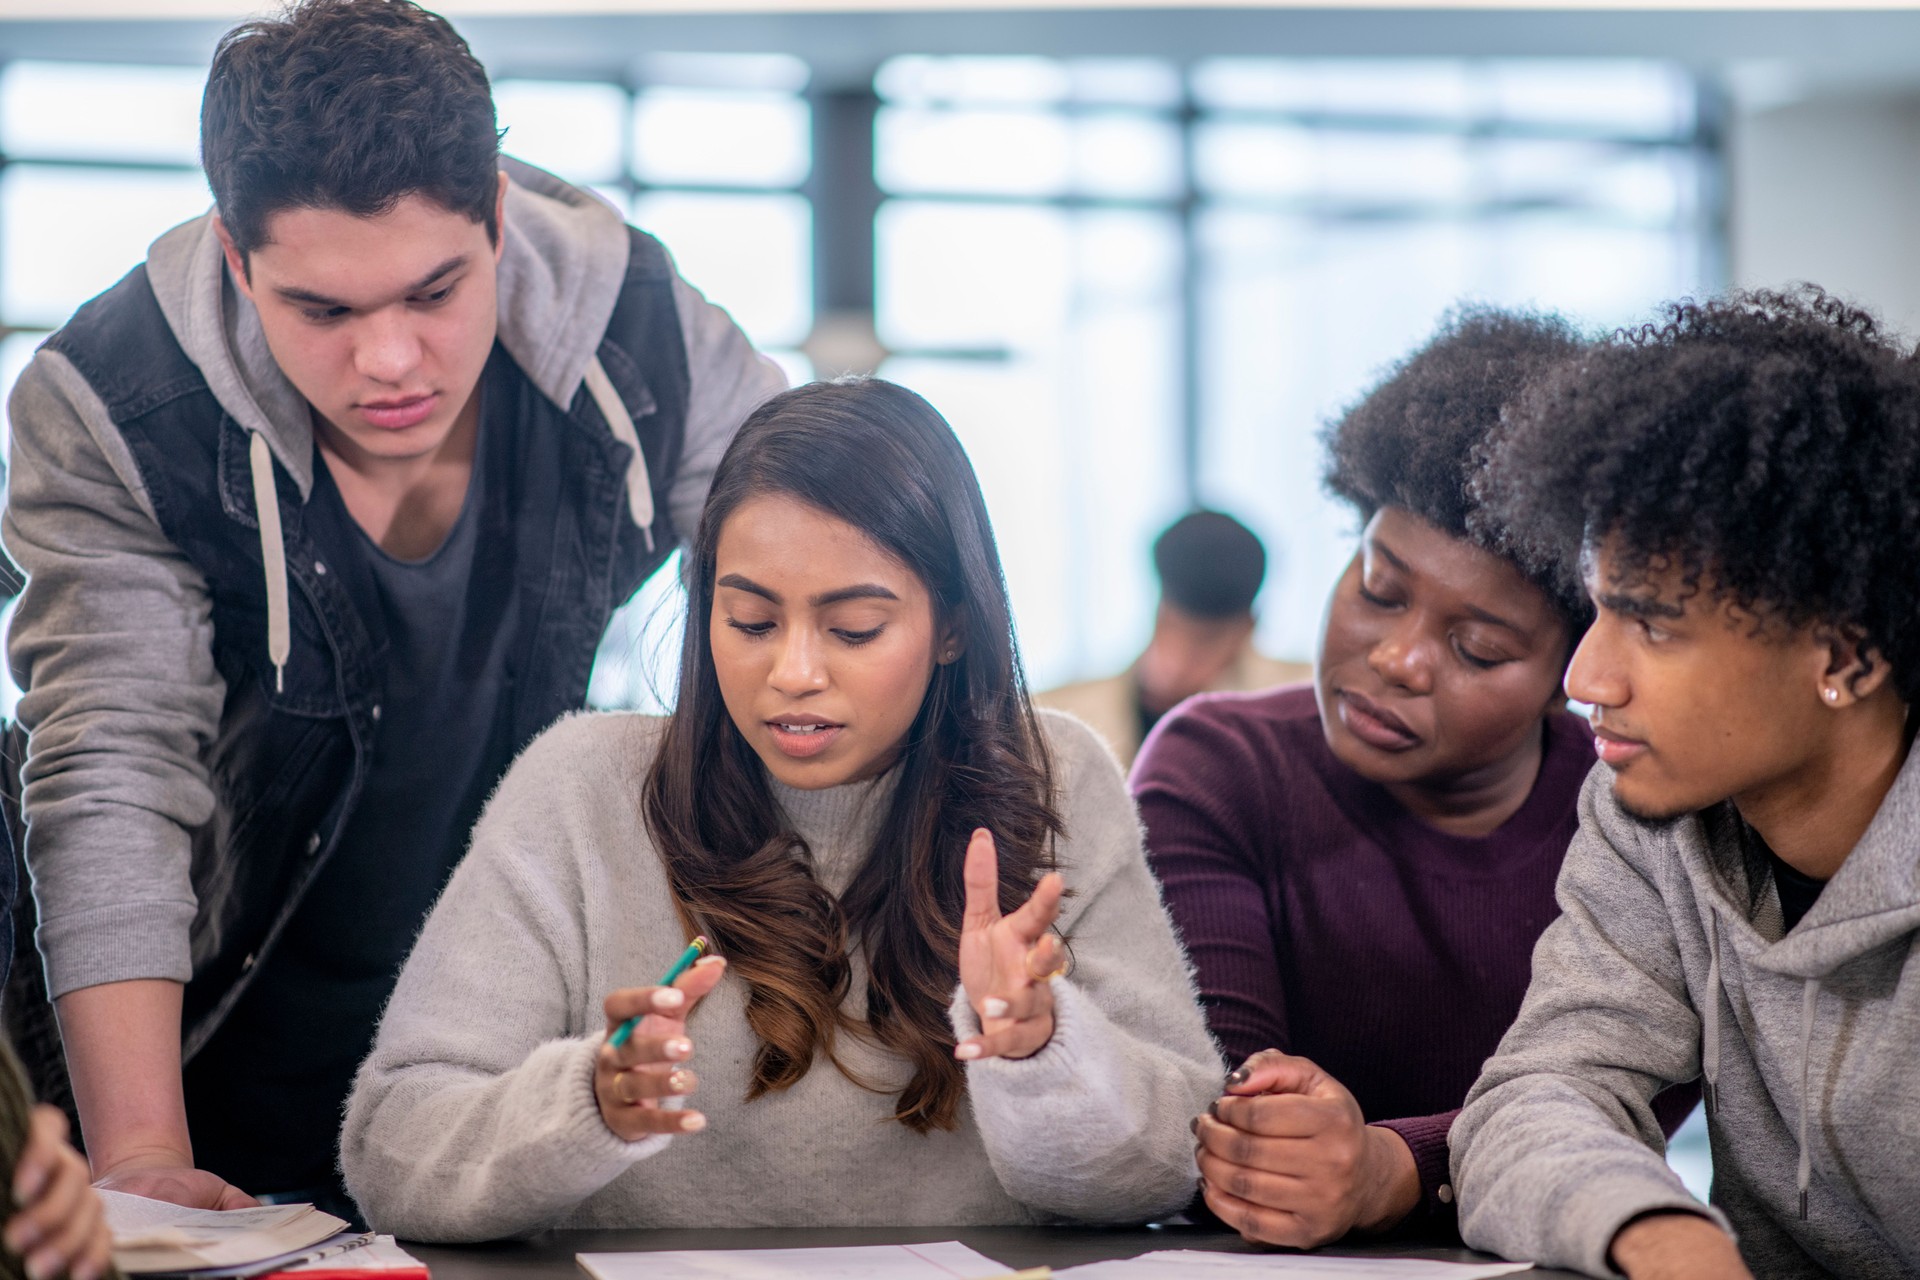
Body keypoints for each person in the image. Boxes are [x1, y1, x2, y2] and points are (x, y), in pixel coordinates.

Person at [1, 0, 782, 1214]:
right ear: (236, 253)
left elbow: (820, 578)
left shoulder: (640, 334)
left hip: (498, 1078)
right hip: (200, 1045)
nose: (394, 361)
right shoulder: (115, 403)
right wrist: (143, 1158)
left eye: (434, 291)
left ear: (499, 219)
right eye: (325, 311)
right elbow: (113, 771)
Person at [339, 378, 1220, 1240]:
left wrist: (1039, 1049)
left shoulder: (1052, 777)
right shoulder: (582, 786)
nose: (794, 672)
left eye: (855, 629)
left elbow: (1178, 1158)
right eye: (753, 622)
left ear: (952, 624)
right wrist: (586, 1103)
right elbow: (394, 1149)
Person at [1135, 309, 1697, 1249]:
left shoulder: (1639, 819)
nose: (1397, 658)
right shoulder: (1220, 767)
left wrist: (1393, 1169)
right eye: (1378, 589)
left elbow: (1615, 1111)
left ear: (1578, 664)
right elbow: (1210, 1110)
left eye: (1477, 646)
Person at [1451, 289, 1920, 1279]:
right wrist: (1661, 1237)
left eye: (1654, 624)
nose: (1585, 678)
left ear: (1845, 651)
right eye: (1597, 610)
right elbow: (1534, 1097)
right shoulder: (1648, 811)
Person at [1038, 510, 1306, 766]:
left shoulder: (1297, 711)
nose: (1178, 660)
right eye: (1170, 626)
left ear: (1247, 631)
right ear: (1158, 609)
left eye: (1205, 641)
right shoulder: (1057, 717)